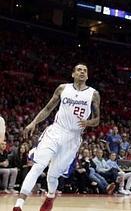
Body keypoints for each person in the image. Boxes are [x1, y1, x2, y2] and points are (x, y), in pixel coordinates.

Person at [13, 63, 101, 211]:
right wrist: (33, 122)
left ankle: (50, 196)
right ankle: (19, 205)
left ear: (87, 76)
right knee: (38, 166)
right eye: (79, 70)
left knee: (53, 175)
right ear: (73, 74)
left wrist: (88, 122)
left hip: (73, 137)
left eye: (85, 70)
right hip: (56, 131)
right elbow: (48, 108)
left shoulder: (93, 94)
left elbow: (97, 119)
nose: (82, 72)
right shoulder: (62, 88)